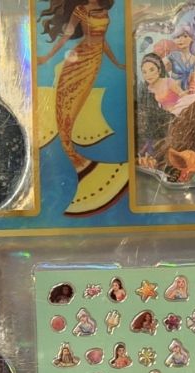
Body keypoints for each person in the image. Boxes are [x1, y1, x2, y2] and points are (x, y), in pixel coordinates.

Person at [37, 0, 126, 213]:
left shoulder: (104, 12)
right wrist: (47, 57)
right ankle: (79, 167)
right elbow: (66, 36)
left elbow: (102, 41)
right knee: (66, 108)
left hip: (93, 62)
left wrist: (116, 63)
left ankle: (84, 168)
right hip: (77, 59)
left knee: (74, 110)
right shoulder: (80, 11)